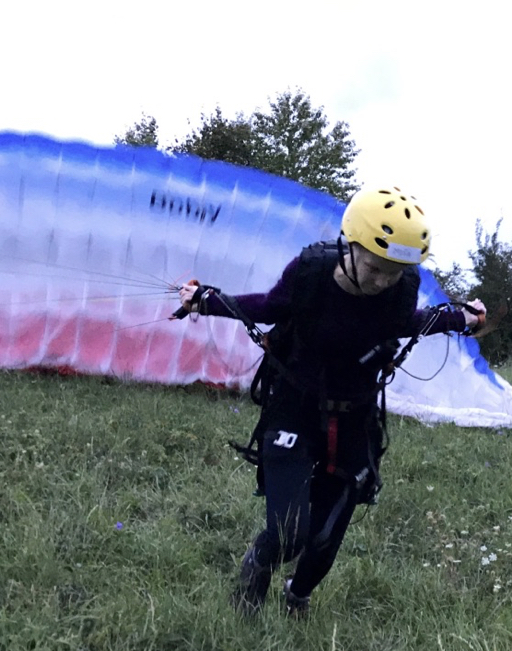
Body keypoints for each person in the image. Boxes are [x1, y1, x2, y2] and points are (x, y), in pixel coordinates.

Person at [176, 186, 485, 617]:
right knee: (289, 532)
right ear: (352, 246)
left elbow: (405, 322)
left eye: (394, 273)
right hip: (294, 408)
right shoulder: (310, 275)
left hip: (356, 419)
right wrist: (206, 301)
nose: (383, 282)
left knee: (324, 536)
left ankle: (297, 596)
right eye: (376, 268)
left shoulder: (401, 287)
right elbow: (267, 306)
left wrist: (460, 317)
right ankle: (258, 565)